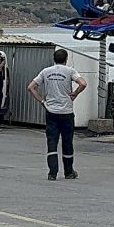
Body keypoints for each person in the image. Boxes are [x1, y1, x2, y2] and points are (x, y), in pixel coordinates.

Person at [28, 48, 86, 181]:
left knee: (52, 142)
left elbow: (31, 87)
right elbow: (83, 83)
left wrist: (42, 101)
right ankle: (69, 171)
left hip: (51, 111)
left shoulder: (46, 72)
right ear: (66, 59)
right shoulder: (70, 71)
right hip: (66, 112)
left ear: (54, 59)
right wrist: (75, 93)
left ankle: (52, 173)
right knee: (67, 142)